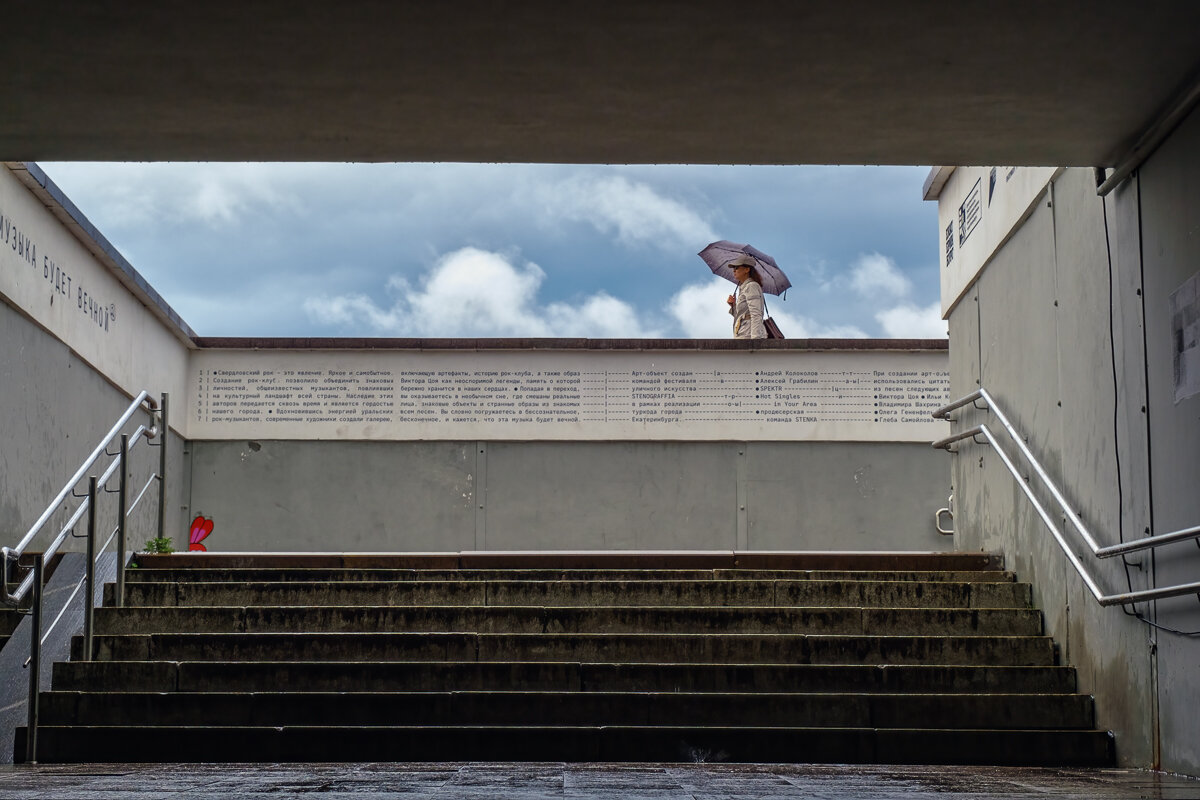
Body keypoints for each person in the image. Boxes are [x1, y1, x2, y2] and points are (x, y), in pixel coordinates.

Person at [726, 255, 767, 339]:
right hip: (743, 333)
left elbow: (756, 313)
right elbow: (742, 316)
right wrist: (733, 305)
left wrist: (755, 339)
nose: (734, 270)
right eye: (734, 268)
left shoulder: (751, 286)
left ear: (747, 269)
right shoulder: (744, 287)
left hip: (748, 335)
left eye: (737, 267)